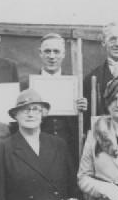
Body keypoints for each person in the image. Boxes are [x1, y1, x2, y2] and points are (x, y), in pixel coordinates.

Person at [35, 33, 87, 163]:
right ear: (40, 53)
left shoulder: (76, 86)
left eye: (56, 52)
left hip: (69, 152)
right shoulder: (28, 85)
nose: (52, 56)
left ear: (63, 54)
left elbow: (83, 125)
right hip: (38, 149)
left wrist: (83, 108)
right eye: (47, 51)